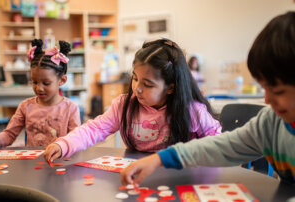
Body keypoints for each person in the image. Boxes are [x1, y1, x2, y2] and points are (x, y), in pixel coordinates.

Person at [120, 11, 295, 185]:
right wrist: (160, 159)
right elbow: (222, 147)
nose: (267, 100)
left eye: (278, 91)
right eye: (264, 88)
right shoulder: (271, 123)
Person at [44, 38, 221, 163]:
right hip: (136, 172)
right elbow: (94, 129)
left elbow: (217, 141)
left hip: (178, 173)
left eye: (148, 84)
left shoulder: (191, 110)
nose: (137, 88)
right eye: (135, 78)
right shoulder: (124, 105)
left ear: (171, 87)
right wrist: (65, 144)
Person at [0, 39, 81, 153]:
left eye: (46, 83)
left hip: (61, 162)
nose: (39, 88)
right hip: (33, 163)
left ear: (62, 80)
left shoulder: (70, 108)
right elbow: (9, 134)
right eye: (34, 82)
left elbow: (76, 140)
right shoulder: (25, 106)